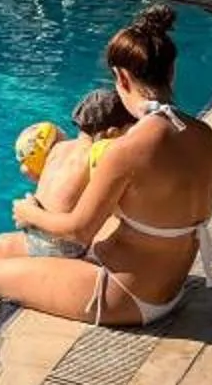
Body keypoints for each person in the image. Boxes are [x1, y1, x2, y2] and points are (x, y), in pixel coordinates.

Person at [0, 5, 212, 325]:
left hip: (125, 294)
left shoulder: (128, 150)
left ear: (122, 78)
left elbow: (79, 232)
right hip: (169, 284)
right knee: (1, 252)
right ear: (172, 71)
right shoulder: (202, 133)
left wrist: (31, 214)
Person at [14, 86, 137, 259]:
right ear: (112, 134)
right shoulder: (98, 155)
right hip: (63, 248)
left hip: (32, 237)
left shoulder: (58, 148)